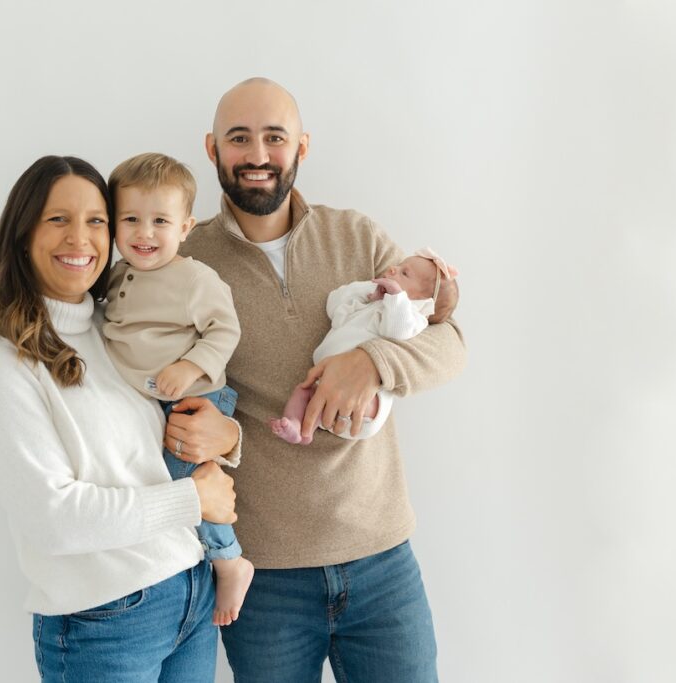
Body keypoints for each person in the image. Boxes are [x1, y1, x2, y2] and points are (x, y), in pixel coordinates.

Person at [181, 78, 467, 682]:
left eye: (274, 137)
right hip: (262, 580)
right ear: (212, 149)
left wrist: (373, 363)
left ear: (302, 148)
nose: (258, 155)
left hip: (383, 562)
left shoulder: (356, 237)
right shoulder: (187, 262)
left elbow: (449, 343)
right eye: (239, 138)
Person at [0, 155, 241, 682]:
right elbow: (54, 519)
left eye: (96, 220)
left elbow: (162, 434)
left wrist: (226, 435)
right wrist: (190, 500)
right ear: (22, 234)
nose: (80, 238)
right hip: (106, 621)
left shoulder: (113, 329)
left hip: (190, 593)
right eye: (57, 219)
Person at [102, 152, 255, 626]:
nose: (144, 233)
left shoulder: (194, 279)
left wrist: (190, 366)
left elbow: (224, 331)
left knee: (185, 484)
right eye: (131, 219)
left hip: (196, 399)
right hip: (153, 401)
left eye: (160, 221)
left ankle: (229, 560)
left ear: (186, 227)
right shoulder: (115, 276)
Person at [270, 248, 460, 445]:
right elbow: (334, 305)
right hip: (324, 381)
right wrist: (369, 290)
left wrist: (396, 299)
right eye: (400, 266)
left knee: (328, 398)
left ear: (422, 301)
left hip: (370, 403)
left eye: (404, 273)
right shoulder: (373, 303)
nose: (393, 268)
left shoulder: (413, 317)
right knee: (303, 391)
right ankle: (296, 426)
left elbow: (397, 333)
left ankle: (312, 424)